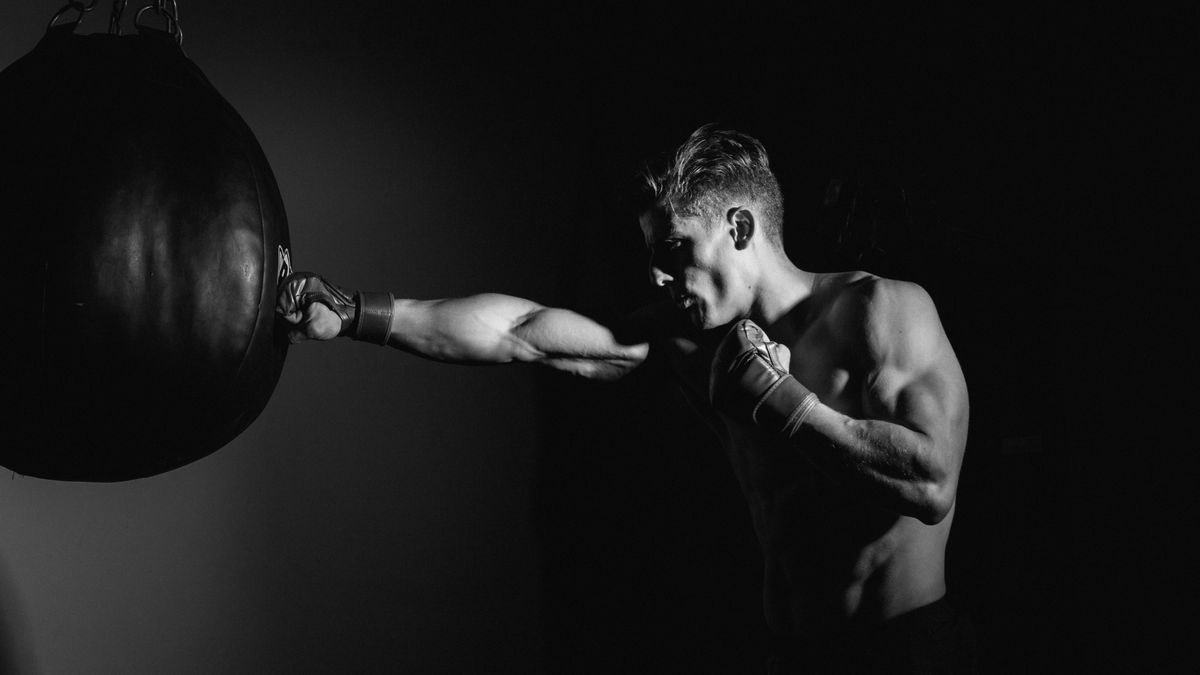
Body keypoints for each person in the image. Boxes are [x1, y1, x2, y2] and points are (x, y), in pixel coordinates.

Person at [277, 125, 976, 674]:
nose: (658, 274)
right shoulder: (689, 342)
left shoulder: (880, 310)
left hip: (902, 652)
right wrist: (354, 310)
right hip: (789, 653)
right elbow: (522, 332)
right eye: (652, 254)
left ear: (739, 228)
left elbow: (932, 481)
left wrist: (785, 402)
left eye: (675, 249)